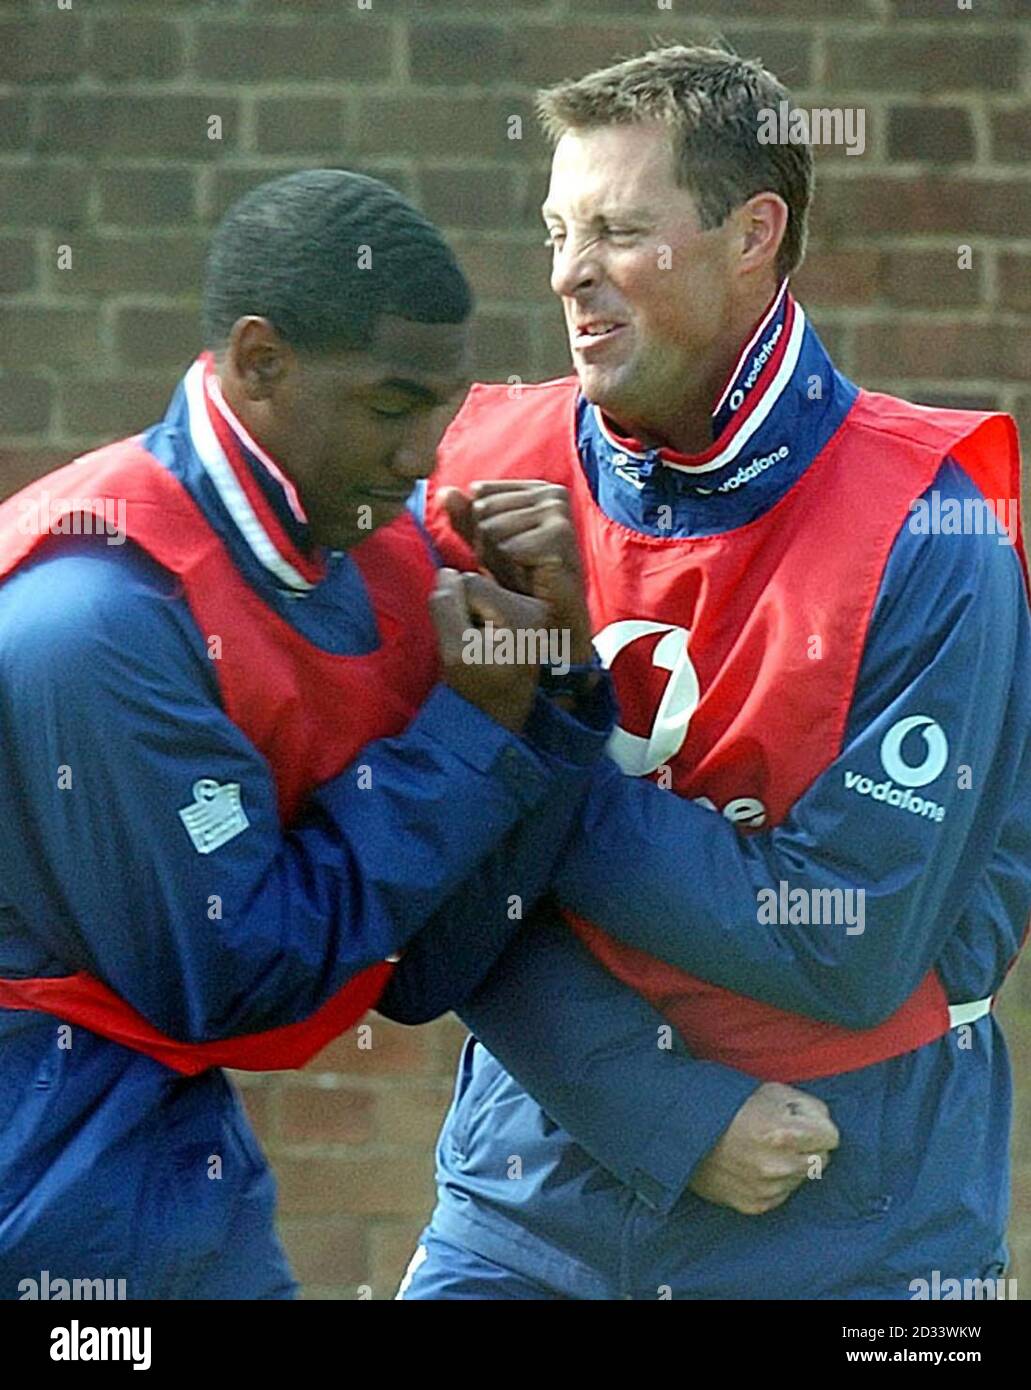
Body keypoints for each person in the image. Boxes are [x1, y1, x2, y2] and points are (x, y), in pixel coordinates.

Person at [0, 167, 835, 1302]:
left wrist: (553, 679)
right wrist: (468, 725)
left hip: (170, 1174)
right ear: (258, 363)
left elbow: (427, 960)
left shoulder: (380, 559)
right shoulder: (92, 619)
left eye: (440, 412)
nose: (419, 455)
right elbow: (233, 980)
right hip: (38, 1183)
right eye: (391, 406)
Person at [402, 46, 1031, 1300]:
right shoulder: (480, 472)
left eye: (620, 230)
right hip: (529, 1194)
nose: (567, 273)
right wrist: (662, 1110)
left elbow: (846, 938)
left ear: (755, 234)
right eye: (555, 230)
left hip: (851, 1206)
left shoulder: (932, 524)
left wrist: (535, 754)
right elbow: (433, 911)